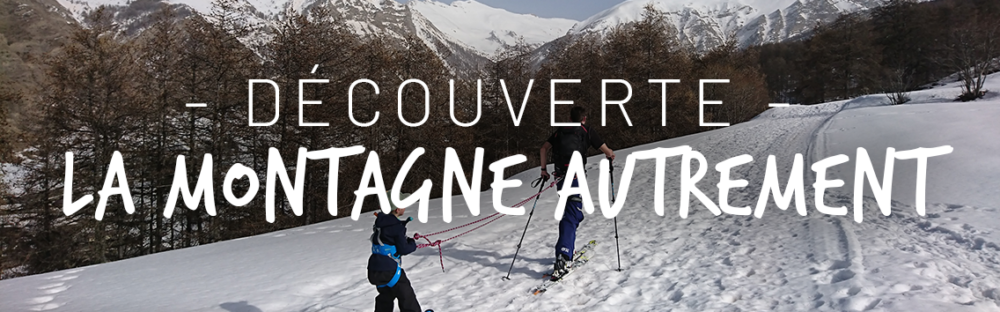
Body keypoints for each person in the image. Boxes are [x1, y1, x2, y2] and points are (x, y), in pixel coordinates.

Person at [539, 106, 615, 279]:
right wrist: (610, 155)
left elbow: (543, 149)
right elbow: (606, 151)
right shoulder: (586, 131)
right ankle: (563, 255)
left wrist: (543, 170)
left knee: (569, 211)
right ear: (584, 118)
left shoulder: (560, 131)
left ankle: (566, 249)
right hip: (575, 177)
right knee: (572, 214)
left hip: (560, 178)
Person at [368, 194, 423, 312]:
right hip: (390, 269)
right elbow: (403, 249)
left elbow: (389, 238)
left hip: (375, 268)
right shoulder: (396, 226)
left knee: (385, 296)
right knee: (406, 295)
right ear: (397, 209)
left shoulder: (380, 222)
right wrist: (412, 243)